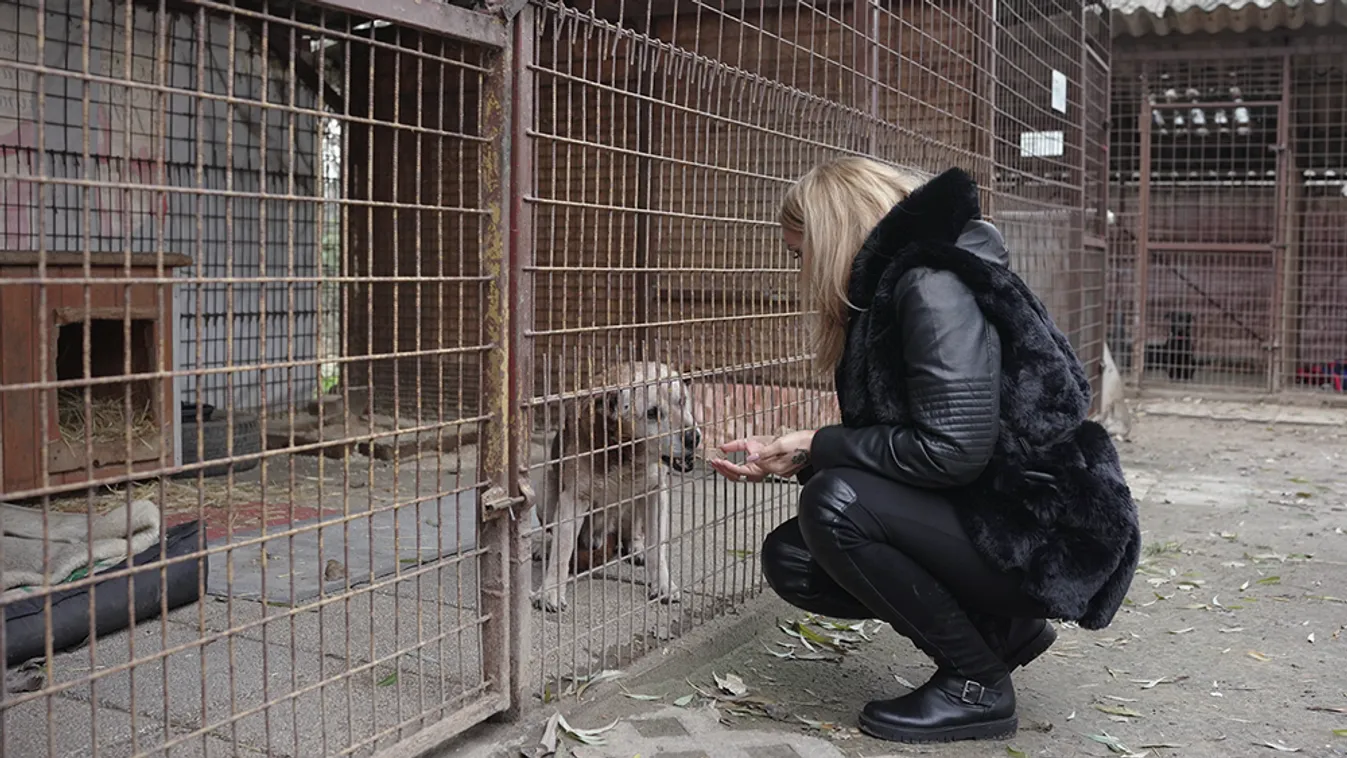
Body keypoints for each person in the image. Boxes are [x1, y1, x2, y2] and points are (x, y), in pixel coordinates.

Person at [709, 157, 1141, 744]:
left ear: (833, 236)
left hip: (1046, 537)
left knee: (835, 507)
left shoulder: (930, 285)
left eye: (799, 251)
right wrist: (806, 455)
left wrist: (818, 443)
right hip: (1004, 513)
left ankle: (977, 685)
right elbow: (935, 439)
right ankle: (1004, 633)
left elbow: (950, 451)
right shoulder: (911, 281)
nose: (802, 269)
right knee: (798, 555)